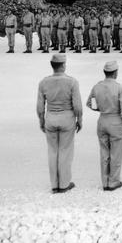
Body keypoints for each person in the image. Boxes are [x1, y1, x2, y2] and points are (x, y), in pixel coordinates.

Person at [36, 53, 82, 193]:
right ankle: (64, 184)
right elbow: (77, 105)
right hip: (67, 117)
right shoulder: (72, 82)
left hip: (51, 117)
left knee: (52, 151)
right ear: (63, 65)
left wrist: (42, 120)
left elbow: (40, 106)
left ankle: (54, 184)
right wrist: (79, 119)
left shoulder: (44, 82)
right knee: (65, 151)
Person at [86, 61, 122, 191]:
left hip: (102, 119)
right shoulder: (119, 87)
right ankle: (113, 181)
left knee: (104, 152)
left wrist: (100, 108)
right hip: (115, 120)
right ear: (115, 73)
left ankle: (105, 181)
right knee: (116, 152)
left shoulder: (97, 87)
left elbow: (89, 103)